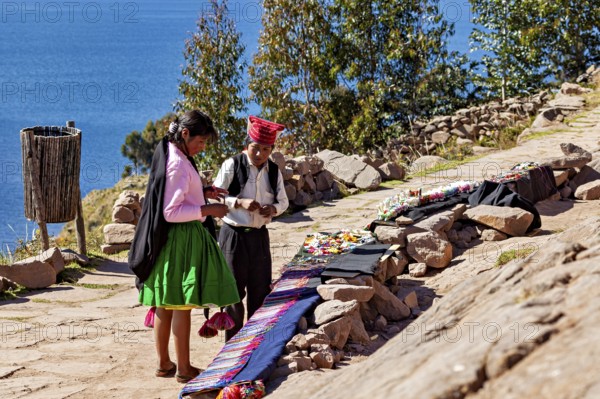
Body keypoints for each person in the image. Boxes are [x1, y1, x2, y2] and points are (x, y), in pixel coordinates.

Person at [129, 110, 239, 383]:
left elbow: (176, 194)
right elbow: (171, 211)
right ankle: (185, 368)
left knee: (164, 305)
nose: (202, 147)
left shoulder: (173, 152)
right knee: (181, 305)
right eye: (200, 141)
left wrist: (203, 192)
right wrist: (209, 209)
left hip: (170, 240)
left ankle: (164, 363)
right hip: (182, 240)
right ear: (185, 134)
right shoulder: (177, 163)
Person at [214, 115, 289, 341]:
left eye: (266, 150)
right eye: (256, 148)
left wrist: (273, 210)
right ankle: (233, 346)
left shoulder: (273, 172)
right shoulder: (231, 165)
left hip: (259, 237)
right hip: (233, 237)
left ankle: (255, 343)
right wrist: (238, 202)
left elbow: (284, 202)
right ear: (247, 145)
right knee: (234, 293)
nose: (260, 154)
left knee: (260, 290)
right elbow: (214, 198)